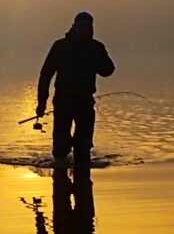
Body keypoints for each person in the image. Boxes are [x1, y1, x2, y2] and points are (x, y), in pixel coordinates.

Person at [35, 10, 115, 167]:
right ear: (74, 27)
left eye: (89, 27)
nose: (86, 30)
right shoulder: (60, 47)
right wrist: (41, 102)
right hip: (63, 102)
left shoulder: (96, 47)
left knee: (83, 147)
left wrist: (95, 62)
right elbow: (46, 74)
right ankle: (60, 180)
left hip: (85, 102)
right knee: (60, 148)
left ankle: (83, 182)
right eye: (83, 27)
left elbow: (109, 70)